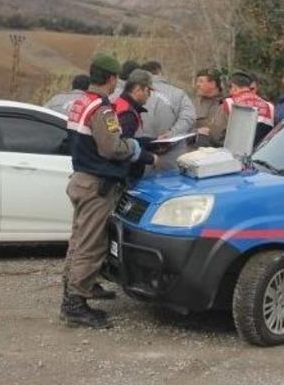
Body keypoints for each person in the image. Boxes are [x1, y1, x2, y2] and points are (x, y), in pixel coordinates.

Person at [61, 53, 146, 328]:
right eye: (115, 80)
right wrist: (133, 147)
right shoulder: (102, 109)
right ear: (110, 79)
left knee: (78, 240)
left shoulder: (80, 102)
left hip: (80, 179)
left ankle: (71, 289)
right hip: (96, 184)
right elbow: (111, 147)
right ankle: (75, 303)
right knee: (91, 243)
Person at [204, 70, 274, 148]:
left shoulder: (229, 103)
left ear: (234, 87)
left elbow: (216, 135)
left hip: (235, 155)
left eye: (230, 89)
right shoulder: (269, 106)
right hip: (261, 154)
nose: (230, 92)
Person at [112, 69, 157, 183]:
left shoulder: (120, 103)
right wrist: (150, 158)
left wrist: (153, 142)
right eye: (148, 91)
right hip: (124, 175)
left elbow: (129, 140)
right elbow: (123, 148)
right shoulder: (128, 114)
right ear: (138, 89)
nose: (149, 95)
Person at [139, 61, 195, 139]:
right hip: (173, 146)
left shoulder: (133, 94)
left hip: (140, 146)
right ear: (160, 73)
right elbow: (188, 118)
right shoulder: (178, 93)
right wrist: (172, 133)